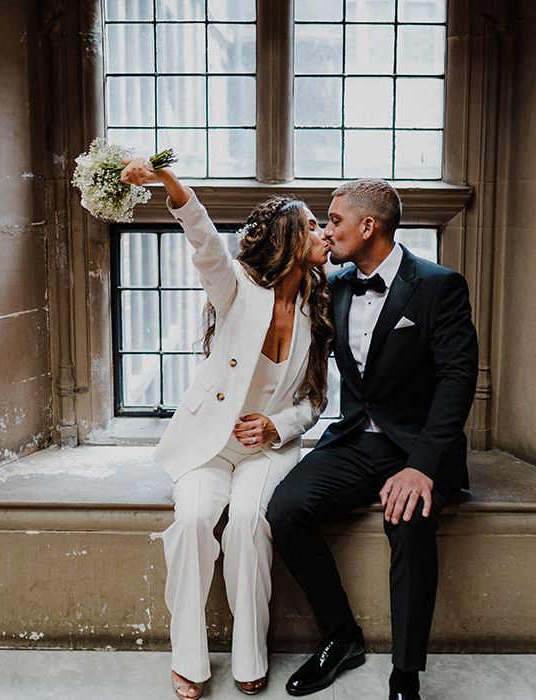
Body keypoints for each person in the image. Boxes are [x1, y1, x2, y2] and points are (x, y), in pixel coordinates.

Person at [120, 158, 332, 699]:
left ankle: (249, 653)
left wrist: (277, 425)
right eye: (312, 226)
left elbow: (314, 400)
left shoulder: (321, 304)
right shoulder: (235, 288)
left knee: (247, 525)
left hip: (268, 453)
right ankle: (187, 658)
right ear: (287, 237)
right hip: (208, 446)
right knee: (192, 523)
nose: (324, 233)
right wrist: (169, 183)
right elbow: (206, 243)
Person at [266, 179, 479, 700]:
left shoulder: (438, 285)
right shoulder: (334, 285)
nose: (325, 228)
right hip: (357, 441)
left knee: (406, 521)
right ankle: (341, 637)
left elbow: (457, 381)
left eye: (334, 219)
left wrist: (423, 466)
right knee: (284, 510)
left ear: (369, 226)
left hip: (418, 448)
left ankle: (405, 675)